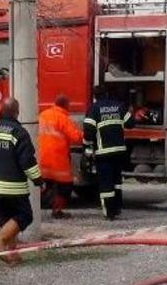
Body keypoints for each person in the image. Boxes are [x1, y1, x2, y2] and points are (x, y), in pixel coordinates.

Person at [0, 98, 42, 265]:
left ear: (0, 111)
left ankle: (12, 254)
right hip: (14, 187)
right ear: (16, 113)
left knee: (6, 220)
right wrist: (38, 180)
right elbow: (27, 161)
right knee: (24, 216)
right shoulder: (19, 133)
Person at [84, 85, 134, 220]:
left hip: (104, 152)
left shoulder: (93, 109)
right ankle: (117, 208)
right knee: (117, 181)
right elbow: (131, 123)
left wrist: (87, 146)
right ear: (106, 94)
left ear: (95, 96)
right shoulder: (119, 106)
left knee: (106, 183)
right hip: (119, 152)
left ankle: (109, 213)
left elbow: (88, 132)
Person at [38, 95, 83, 219]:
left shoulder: (43, 115)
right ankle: (57, 210)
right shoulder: (63, 118)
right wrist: (84, 134)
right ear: (65, 105)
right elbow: (76, 137)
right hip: (57, 160)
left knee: (44, 183)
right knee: (65, 186)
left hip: (41, 158)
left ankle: (36, 205)